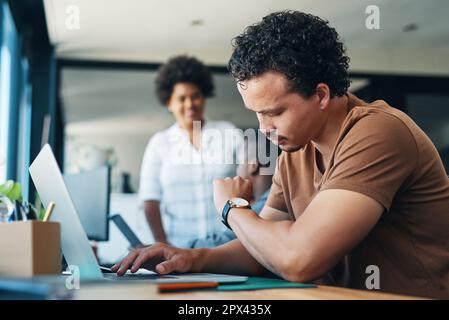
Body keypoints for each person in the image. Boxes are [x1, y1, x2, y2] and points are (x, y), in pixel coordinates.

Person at [113, 11, 449, 299]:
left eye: (274, 112)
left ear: (320, 95)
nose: (263, 128)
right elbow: (263, 248)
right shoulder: (296, 150)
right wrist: (194, 258)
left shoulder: (378, 132)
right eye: (256, 113)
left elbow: (297, 260)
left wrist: (233, 208)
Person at [138, 55, 243, 248]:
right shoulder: (159, 144)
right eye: (181, 98)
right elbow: (150, 201)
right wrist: (163, 244)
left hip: (228, 245)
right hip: (180, 247)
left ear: (204, 97)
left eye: (195, 96)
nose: (190, 104)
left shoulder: (229, 133)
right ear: (169, 103)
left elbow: (248, 185)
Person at [188, 138, 276, 248]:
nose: (236, 171)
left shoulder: (267, 207)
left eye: (239, 163)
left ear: (253, 166)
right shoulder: (271, 200)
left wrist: (230, 204)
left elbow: (221, 244)